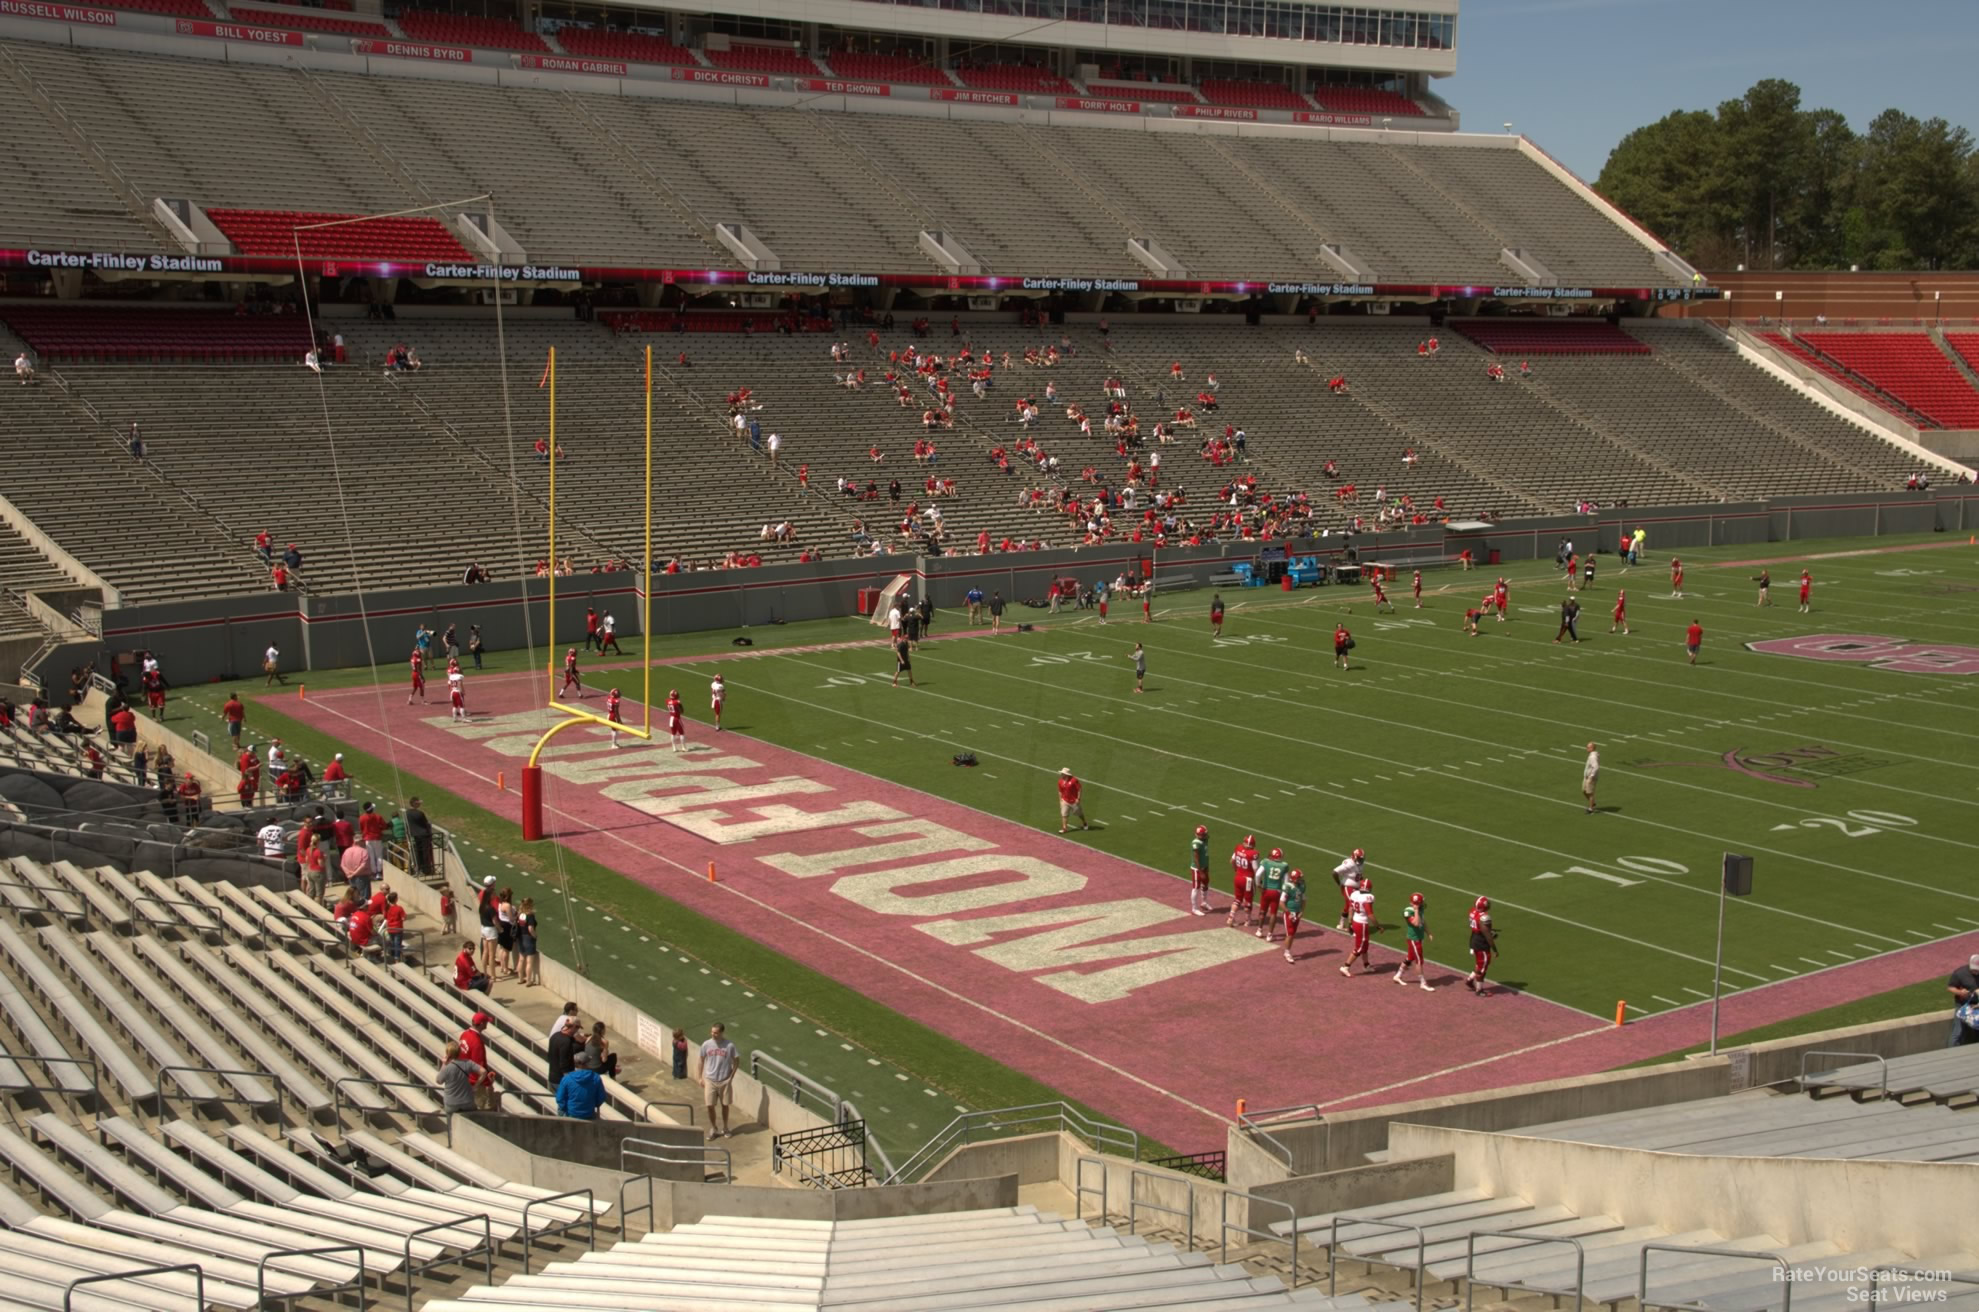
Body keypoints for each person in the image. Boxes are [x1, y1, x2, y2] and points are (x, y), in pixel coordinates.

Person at [700, 1023, 738, 1139]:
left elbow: (736, 1060)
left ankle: (725, 1127)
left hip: (724, 1080)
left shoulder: (729, 1045)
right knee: (710, 1105)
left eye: (716, 1032)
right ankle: (713, 1128)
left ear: (722, 1033)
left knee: (725, 1105)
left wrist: (731, 1077)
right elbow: (701, 1060)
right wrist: (699, 1077)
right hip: (710, 1080)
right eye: (712, 1032)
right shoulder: (706, 1044)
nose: (713, 1034)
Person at [1341, 874, 1378, 976]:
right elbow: (1370, 914)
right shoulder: (1368, 898)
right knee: (1359, 947)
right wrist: (1378, 926)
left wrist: (1350, 923)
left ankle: (1366, 965)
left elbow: (1350, 909)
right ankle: (1346, 966)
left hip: (1356, 921)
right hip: (1362, 923)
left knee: (1365, 946)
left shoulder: (1354, 894)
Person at [1395, 892, 1433, 990]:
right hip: (1413, 939)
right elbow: (1416, 923)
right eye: (1421, 902)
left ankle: (1398, 976)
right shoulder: (1408, 911)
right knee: (1419, 961)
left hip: (1418, 938)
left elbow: (1422, 922)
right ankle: (1422, 983)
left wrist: (1428, 932)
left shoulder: (1420, 909)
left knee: (1409, 958)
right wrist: (1416, 910)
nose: (1422, 903)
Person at [460, 1013, 496, 1110]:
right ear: (481, 1024)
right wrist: (488, 1083)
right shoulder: (477, 1043)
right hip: (475, 1084)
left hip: (464, 1079)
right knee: (483, 1109)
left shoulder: (464, 1034)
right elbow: (478, 1067)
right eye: (486, 1022)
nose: (487, 1024)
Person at [1253, 847, 1289, 943]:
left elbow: (1257, 875)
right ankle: (1269, 934)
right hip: (1276, 891)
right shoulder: (1283, 866)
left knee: (1263, 910)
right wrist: (1284, 894)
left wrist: (1258, 885)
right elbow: (1286, 882)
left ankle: (1259, 930)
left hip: (1266, 890)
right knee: (1273, 913)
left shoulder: (1266, 862)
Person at [557, 1050, 606, 1120]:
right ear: (587, 1063)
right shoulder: (596, 1078)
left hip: (571, 1114)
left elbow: (560, 1098)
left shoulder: (567, 1079)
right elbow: (601, 1097)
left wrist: (567, 1109)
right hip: (589, 1114)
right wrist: (592, 1105)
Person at [438, 1040, 483, 1114]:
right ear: (459, 1052)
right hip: (467, 1101)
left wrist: (444, 1064)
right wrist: (475, 1086)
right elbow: (483, 1072)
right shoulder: (468, 1063)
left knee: (451, 1120)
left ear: (447, 1053)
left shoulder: (447, 1067)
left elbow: (439, 1081)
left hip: (451, 1103)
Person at [1465, 896, 1497, 995]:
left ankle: (1470, 980)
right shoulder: (1484, 917)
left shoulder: (1472, 911)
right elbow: (1486, 934)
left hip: (1474, 939)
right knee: (1482, 968)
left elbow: (1479, 927)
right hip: (1481, 943)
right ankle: (1479, 990)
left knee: (1479, 964)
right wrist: (1495, 949)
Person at [1227, 833, 1258, 930]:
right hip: (1248, 879)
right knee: (1248, 901)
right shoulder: (1253, 854)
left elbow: (1231, 861)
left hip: (1238, 877)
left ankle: (1231, 917)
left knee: (1237, 899)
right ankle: (1248, 920)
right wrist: (1258, 881)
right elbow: (1256, 869)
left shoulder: (1238, 848)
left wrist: (1236, 869)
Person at [1949, 954, 1979, 1047]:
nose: (1976, 971)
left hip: (1976, 1005)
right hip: (1963, 1006)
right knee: (1958, 1031)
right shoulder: (1960, 973)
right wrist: (1960, 992)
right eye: (1974, 969)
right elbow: (1950, 987)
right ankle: (1951, 1051)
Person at [1279, 869, 1308, 964]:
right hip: (1290, 912)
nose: (1301, 879)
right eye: (1299, 877)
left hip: (1297, 912)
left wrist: (1302, 911)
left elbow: (1304, 900)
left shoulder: (1301, 886)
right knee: (1290, 933)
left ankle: (1287, 950)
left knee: (1293, 934)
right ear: (1294, 879)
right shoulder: (1288, 887)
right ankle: (1287, 952)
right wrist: (1288, 913)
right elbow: (1281, 902)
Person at [1333, 847, 1365, 931]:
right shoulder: (1349, 863)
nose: (1361, 859)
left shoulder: (1360, 864)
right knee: (1352, 904)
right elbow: (1335, 872)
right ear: (1354, 856)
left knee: (1348, 905)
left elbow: (1359, 876)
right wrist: (1339, 883)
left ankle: (1341, 925)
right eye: (1359, 857)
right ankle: (1351, 926)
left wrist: (1362, 884)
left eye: (1361, 858)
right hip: (1348, 887)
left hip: (1357, 887)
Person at [1186, 824, 1213, 916]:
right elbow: (1196, 858)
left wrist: (1206, 867)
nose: (1206, 835)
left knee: (1205, 884)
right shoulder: (1196, 843)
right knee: (1196, 888)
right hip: (1197, 869)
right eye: (1204, 834)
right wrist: (1200, 871)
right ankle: (1194, 908)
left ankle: (1204, 902)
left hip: (1204, 867)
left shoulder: (1204, 840)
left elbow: (1205, 855)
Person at [548, 1014, 580, 1086]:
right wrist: (570, 1083)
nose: (577, 1031)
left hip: (552, 1077)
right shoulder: (566, 1042)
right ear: (574, 1027)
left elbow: (550, 1055)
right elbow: (564, 1065)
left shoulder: (555, 1035)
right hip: (561, 1081)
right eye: (577, 1028)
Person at [1056, 767, 1088, 833]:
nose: (1061, 774)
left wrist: (1078, 798)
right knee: (1064, 814)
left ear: (1066, 774)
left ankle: (1084, 822)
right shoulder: (1060, 781)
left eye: (1063, 773)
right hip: (1065, 800)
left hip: (1074, 801)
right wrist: (1060, 800)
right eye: (1061, 773)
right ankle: (1064, 828)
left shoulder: (1074, 780)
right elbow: (1060, 791)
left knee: (1079, 813)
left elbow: (1079, 789)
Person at [516, 897, 539, 985]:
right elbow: (530, 928)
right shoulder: (530, 916)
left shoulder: (520, 914)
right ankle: (529, 981)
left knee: (521, 959)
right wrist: (535, 936)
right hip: (529, 939)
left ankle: (520, 978)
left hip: (521, 938)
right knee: (529, 961)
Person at [1582, 742, 1600, 814]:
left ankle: (1591, 809)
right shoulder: (1592, 755)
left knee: (1590, 793)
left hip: (1590, 778)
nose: (1586, 748)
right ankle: (1593, 803)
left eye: (1588, 747)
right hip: (1587, 777)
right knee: (1584, 791)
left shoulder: (1593, 757)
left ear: (1592, 748)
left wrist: (1591, 777)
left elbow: (1596, 767)